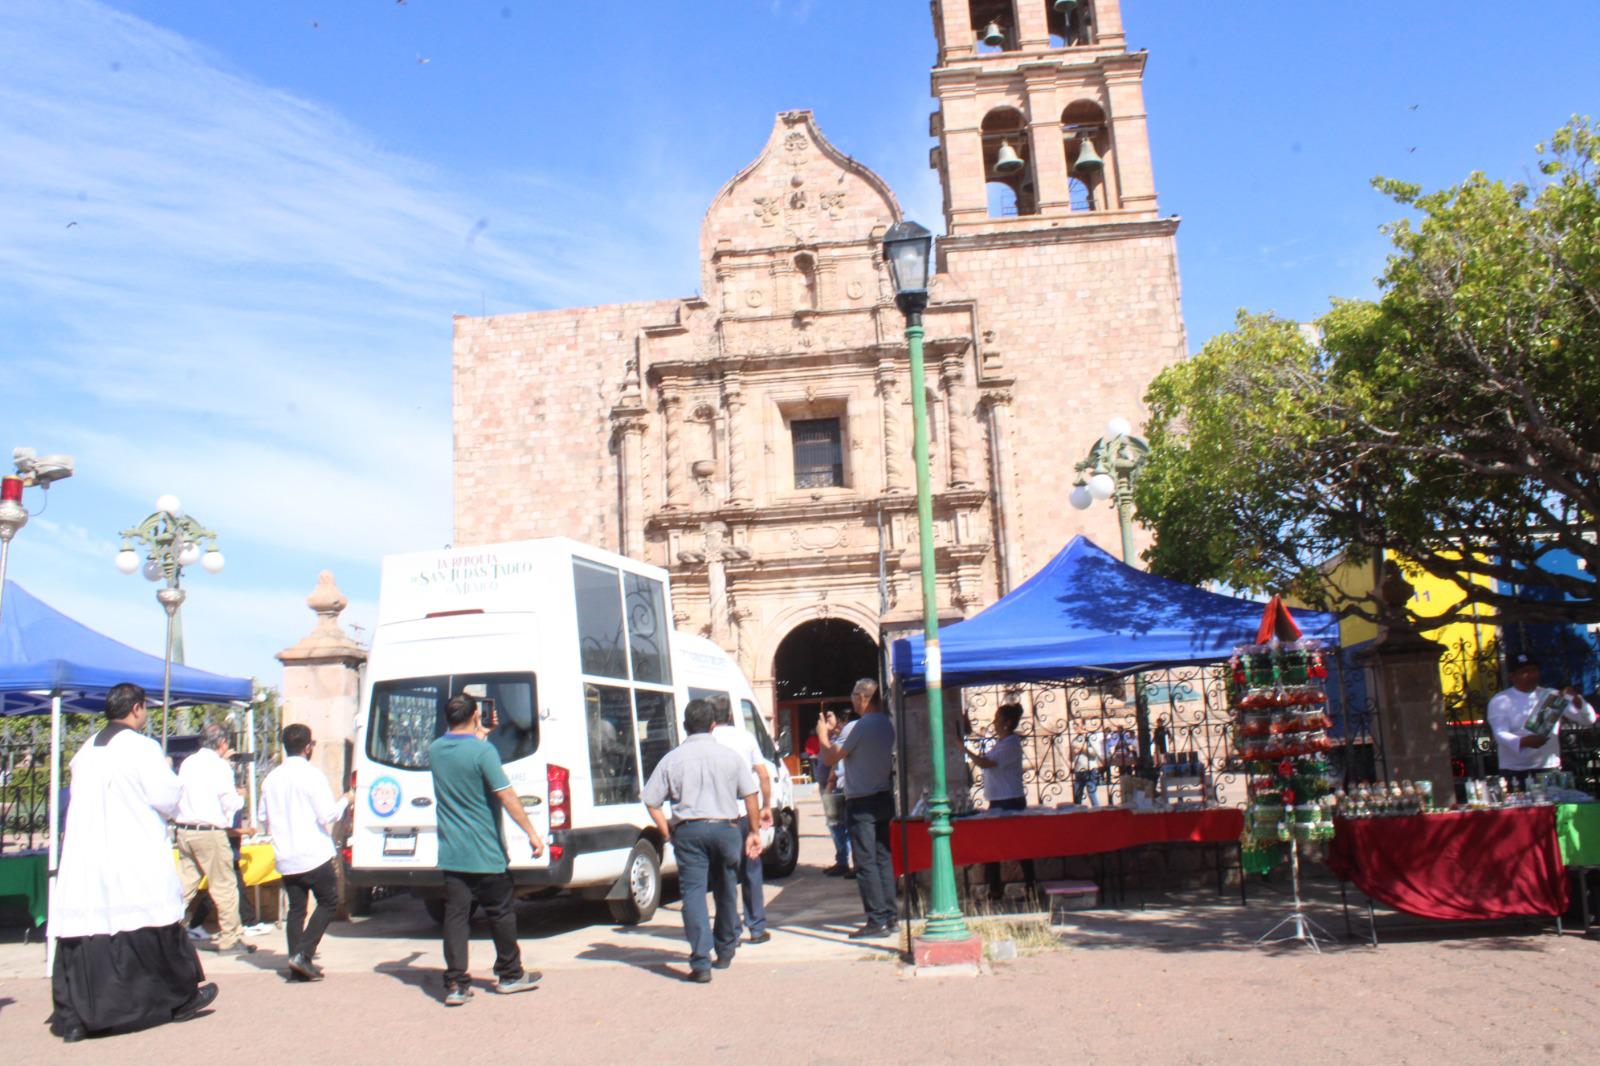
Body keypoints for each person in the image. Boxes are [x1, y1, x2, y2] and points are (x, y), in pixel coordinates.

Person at [48, 683, 218, 1042]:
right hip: (130, 851)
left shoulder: (85, 750)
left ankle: (77, 1016)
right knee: (153, 922)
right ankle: (180, 998)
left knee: (90, 931)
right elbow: (166, 796)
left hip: (87, 855)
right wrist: (170, 771)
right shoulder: (143, 748)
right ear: (137, 709)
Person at [429, 693, 545, 1006]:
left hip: (452, 852)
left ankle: (456, 983)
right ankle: (509, 973)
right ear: (476, 716)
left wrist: (479, 732)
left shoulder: (436, 750)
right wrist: (532, 833)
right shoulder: (484, 753)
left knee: (456, 917)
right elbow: (506, 795)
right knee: (501, 913)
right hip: (485, 850)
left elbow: (459, 748)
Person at [642, 698, 761, 983]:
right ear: (713, 726)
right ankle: (725, 948)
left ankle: (700, 960)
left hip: (689, 831)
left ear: (684, 726)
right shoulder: (730, 756)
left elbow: (651, 799)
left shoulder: (672, 759)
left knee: (694, 894)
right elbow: (751, 795)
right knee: (726, 888)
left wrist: (666, 830)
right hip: (726, 829)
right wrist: (754, 831)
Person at [258, 723, 353, 982]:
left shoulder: (271, 779)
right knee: (328, 901)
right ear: (308, 747)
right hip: (313, 852)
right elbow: (328, 814)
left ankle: (296, 961)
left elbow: (262, 817)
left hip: (286, 854)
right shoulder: (312, 776)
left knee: (296, 909)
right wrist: (346, 799)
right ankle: (304, 953)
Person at [815, 677, 898, 939]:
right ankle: (891, 915)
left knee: (865, 862)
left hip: (861, 800)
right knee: (884, 858)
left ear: (863, 697)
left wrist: (822, 735)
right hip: (884, 796)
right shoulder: (886, 724)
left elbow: (830, 758)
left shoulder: (857, 727)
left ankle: (876, 920)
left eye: (854, 695)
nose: (852, 700)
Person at [175, 723, 254, 956]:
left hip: (185, 829)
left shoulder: (188, 763)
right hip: (209, 831)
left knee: (185, 885)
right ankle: (230, 939)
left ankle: (169, 927)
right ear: (222, 744)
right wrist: (241, 798)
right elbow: (228, 802)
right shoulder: (219, 767)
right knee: (224, 886)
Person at [710, 697, 774, 944]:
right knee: (752, 871)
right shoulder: (746, 738)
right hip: (747, 812)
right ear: (729, 715)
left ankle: (731, 930)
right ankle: (756, 927)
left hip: (719, 815)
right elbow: (763, 774)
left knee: (723, 875)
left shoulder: (708, 741)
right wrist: (766, 806)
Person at [1486, 652, 1597, 784]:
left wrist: (1580, 702)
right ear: (1512, 676)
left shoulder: (1552, 695)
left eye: (1534, 670)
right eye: (1525, 672)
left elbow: (1588, 720)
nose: (1531, 675)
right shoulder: (1500, 700)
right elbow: (1500, 734)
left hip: (1548, 767)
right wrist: (1524, 742)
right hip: (1515, 770)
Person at [965, 702, 1036, 901]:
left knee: (1020, 846)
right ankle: (995, 888)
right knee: (993, 846)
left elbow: (985, 762)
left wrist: (964, 749)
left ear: (1006, 723)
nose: (994, 723)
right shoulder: (1002, 743)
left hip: (1009, 801)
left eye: (997, 719)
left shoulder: (1011, 744)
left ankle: (1029, 885)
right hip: (998, 800)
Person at [818, 711, 852, 878]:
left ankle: (845, 861)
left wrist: (823, 735)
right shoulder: (838, 738)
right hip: (832, 786)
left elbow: (833, 764)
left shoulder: (843, 739)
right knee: (837, 826)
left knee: (838, 826)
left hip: (837, 788)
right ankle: (842, 860)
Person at [1072, 739, 1101, 807]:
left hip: (1090, 769)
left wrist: (1082, 747)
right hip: (1078, 769)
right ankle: (1077, 812)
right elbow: (1071, 756)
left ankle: (1097, 809)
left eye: (1078, 727)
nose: (1076, 728)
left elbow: (1094, 753)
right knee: (1077, 794)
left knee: (1091, 792)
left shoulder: (1092, 738)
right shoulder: (1075, 739)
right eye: (1075, 727)